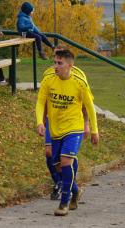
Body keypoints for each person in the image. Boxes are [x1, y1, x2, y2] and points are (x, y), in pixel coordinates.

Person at [35, 49, 99, 216]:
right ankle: (75, 190)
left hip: (74, 128)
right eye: (54, 62)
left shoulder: (79, 82)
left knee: (65, 162)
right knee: (57, 165)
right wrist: (40, 122)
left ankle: (64, 202)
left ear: (70, 65)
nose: (55, 66)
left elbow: (90, 108)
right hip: (55, 128)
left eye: (59, 63)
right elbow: (40, 102)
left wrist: (93, 129)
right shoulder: (48, 80)